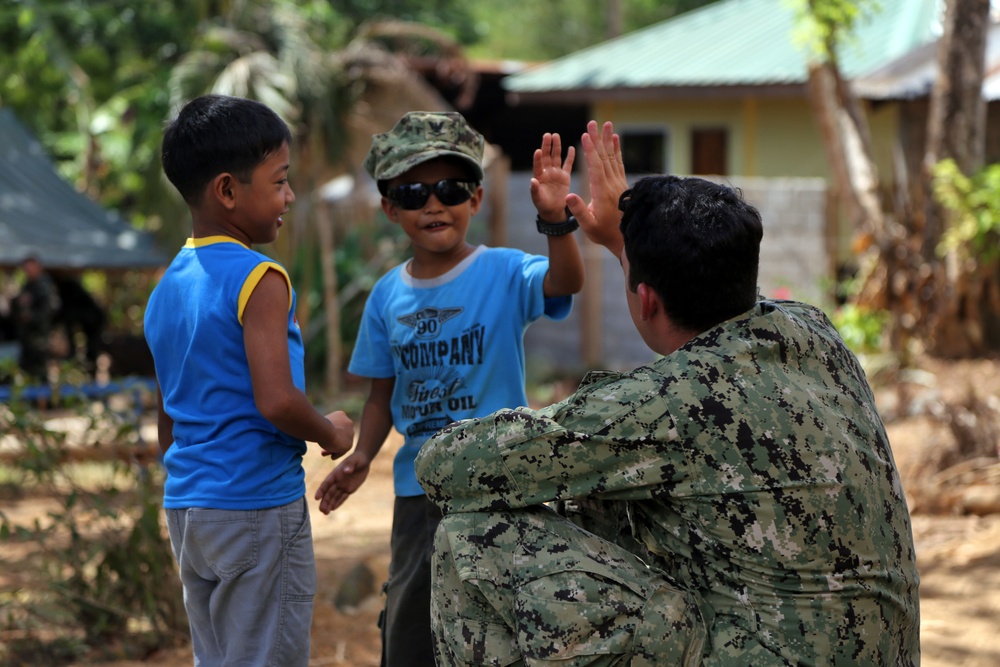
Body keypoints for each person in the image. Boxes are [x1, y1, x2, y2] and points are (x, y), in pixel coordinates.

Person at [414, 121, 921, 666]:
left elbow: (444, 467)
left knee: (471, 536)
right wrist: (618, 238)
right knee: (613, 503)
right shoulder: (813, 332)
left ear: (648, 299)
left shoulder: (674, 402)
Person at [315, 110, 585, 666]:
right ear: (391, 208)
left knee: (505, 622)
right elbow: (380, 395)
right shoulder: (386, 297)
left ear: (476, 199)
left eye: (450, 188)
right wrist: (363, 455)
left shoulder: (506, 272)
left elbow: (566, 281)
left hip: (500, 487)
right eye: (413, 192)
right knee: (412, 619)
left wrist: (556, 220)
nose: (433, 204)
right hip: (420, 493)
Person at [144, 94, 355, 667]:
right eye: (280, 181)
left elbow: (169, 415)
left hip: (191, 509)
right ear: (228, 191)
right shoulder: (260, 278)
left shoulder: (168, 287)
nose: (289, 197)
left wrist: (192, 477)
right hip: (256, 507)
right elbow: (278, 400)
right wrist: (330, 432)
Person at [13, 255, 60, 380]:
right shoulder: (27, 286)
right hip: (27, 339)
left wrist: (32, 316)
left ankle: (44, 399)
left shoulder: (45, 286)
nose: (28, 271)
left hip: (40, 339)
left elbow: (51, 310)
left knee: (41, 374)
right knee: (26, 372)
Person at [51, 270, 106, 373]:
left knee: (92, 349)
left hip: (93, 320)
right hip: (83, 318)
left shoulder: (69, 288)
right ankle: (74, 365)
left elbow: (67, 313)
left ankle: (89, 371)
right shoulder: (64, 292)